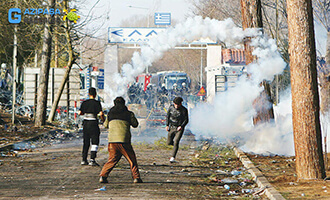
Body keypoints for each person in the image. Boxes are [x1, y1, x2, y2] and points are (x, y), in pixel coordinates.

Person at [99, 96, 142, 184]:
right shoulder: (129, 114)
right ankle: (136, 177)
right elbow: (135, 124)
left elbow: (105, 125)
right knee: (132, 160)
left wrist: (103, 118)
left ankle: (103, 176)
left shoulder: (110, 113)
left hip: (112, 141)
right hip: (124, 141)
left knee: (112, 159)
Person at [78, 87, 105, 166]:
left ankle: (84, 159)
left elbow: (80, 113)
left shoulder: (84, 103)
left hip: (86, 123)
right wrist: (103, 121)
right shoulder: (97, 103)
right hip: (94, 123)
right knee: (94, 142)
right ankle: (92, 159)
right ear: (95, 94)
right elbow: (101, 114)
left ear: (88, 94)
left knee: (86, 142)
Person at [166, 96, 189, 163]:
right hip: (172, 127)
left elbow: (186, 120)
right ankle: (175, 147)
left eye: (178, 104)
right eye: (175, 104)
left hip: (179, 128)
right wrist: (167, 125)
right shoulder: (171, 108)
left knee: (176, 141)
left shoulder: (184, 110)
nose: (176, 106)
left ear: (180, 104)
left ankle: (173, 157)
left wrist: (181, 126)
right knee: (169, 142)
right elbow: (168, 116)